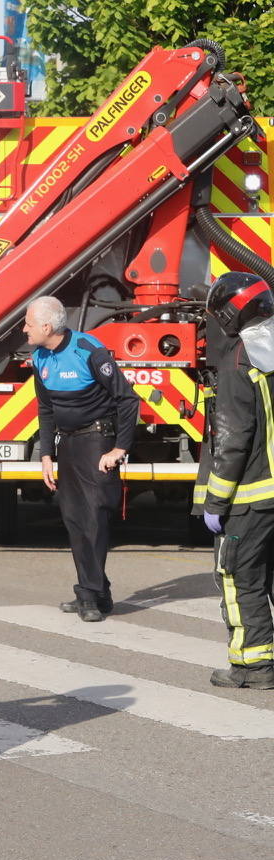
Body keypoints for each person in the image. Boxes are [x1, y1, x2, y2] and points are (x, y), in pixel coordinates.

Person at [25, 296, 140, 622]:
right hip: (68, 445)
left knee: (93, 519)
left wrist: (119, 449)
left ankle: (88, 595)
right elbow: (45, 409)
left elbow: (128, 401)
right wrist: (46, 454)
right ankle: (97, 592)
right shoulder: (39, 356)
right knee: (75, 520)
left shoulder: (89, 351)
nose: (24, 329)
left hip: (97, 442)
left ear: (47, 327)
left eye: (28, 324)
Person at [197, 273, 274, 690]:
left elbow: (232, 440)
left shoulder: (239, 361)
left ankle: (253, 667)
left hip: (252, 497)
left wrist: (215, 503)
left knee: (239, 576)